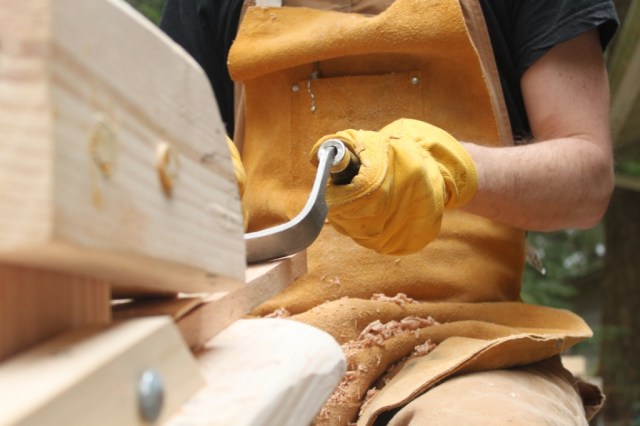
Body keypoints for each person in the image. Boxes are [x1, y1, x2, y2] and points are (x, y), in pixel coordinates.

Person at [160, 1, 619, 424]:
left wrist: (454, 170)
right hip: (257, 338)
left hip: (471, 348)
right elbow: (158, 163)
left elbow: (588, 179)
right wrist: (176, 181)